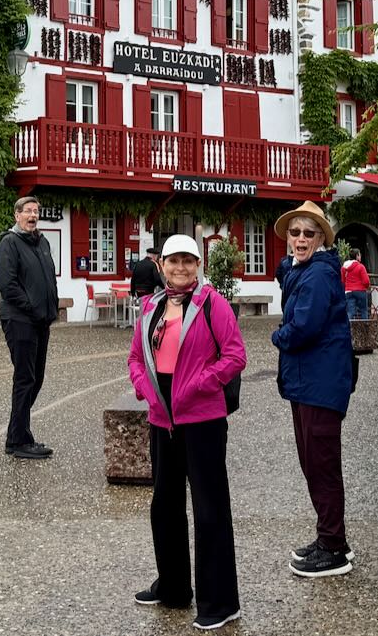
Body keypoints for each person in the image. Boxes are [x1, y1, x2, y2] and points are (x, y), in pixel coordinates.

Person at [128, 234, 246, 631]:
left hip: (202, 420)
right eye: (173, 261)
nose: (180, 268)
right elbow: (135, 358)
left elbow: (235, 356)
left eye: (188, 261)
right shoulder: (152, 306)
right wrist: (144, 388)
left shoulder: (213, 304)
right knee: (164, 505)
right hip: (162, 419)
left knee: (210, 508)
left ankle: (220, 601)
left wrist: (199, 383)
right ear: (161, 265)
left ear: (198, 265)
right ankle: (174, 586)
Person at [271, 201, 355, 578]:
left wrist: (277, 336)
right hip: (309, 382)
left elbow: (304, 326)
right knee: (314, 462)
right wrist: (291, 264)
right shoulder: (303, 270)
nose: (300, 239)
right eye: (295, 232)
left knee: (321, 464)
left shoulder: (319, 275)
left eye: (309, 233)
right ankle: (329, 537)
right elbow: (284, 273)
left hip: (319, 382)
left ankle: (333, 547)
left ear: (321, 238)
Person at [0, 195, 59, 461]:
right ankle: (18, 440)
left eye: (36, 211)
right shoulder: (9, 243)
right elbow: (7, 285)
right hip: (20, 320)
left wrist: (48, 309)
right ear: (17, 215)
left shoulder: (41, 242)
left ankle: (17, 434)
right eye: (28, 211)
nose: (33, 216)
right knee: (25, 378)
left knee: (36, 378)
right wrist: (32, 307)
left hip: (41, 321)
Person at [342, 248, 371, 321]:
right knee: (363, 311)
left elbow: (342, 281)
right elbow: (366, 281)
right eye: (359, 254)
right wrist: (366, 287)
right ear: (357, 256)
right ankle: (364, 330)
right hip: (360, 291)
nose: (360, 256)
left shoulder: (344, 267)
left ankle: (348, 330)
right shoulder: (361, 267)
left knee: (350, 312)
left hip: (348, 291)